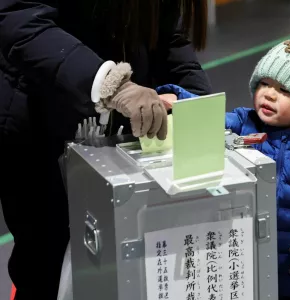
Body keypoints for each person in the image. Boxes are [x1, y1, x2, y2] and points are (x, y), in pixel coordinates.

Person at [0, 0, 211, 299]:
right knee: (45, 265)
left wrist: (200, 104)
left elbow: (167, 34)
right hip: (39, 126)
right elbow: (18, 19)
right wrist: (111, 84)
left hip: (118, 134)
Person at [159, 25, 290, 299]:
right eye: (265, 83)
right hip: (237, 271)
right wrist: (178, 99)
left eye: (284, 90)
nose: (269, 94)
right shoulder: (242, 124)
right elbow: (209, 115)